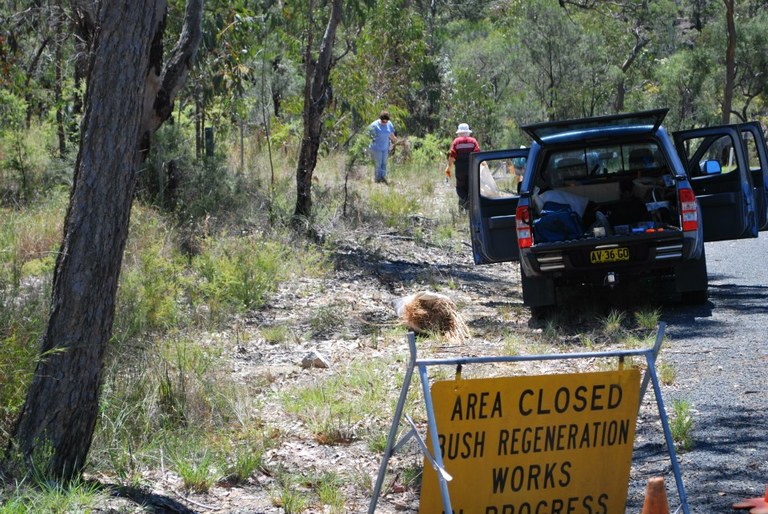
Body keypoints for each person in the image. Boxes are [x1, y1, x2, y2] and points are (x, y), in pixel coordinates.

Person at [444, 122, 481, 209]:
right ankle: (469, 206)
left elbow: (452, 155)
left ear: (459, 133)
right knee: (470, 187)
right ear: (468, 132)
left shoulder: (456, 141)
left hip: (460, 167)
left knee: (460, 187)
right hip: (471, 167)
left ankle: (463, 203)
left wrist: (448, 167)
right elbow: (478, 154)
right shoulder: (473, 141)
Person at [368, 110, 398, 183]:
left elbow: (390, 133)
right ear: (380, 119)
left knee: (384, 163)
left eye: (386, 121)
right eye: (383, 122)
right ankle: (377, 179)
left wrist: (394, 140)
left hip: (385, 147)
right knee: (378, 164)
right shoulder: (374, 125)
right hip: (376, 148)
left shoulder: (389, 124)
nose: (385, 123)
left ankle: (383, 178)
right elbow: (368, 136)